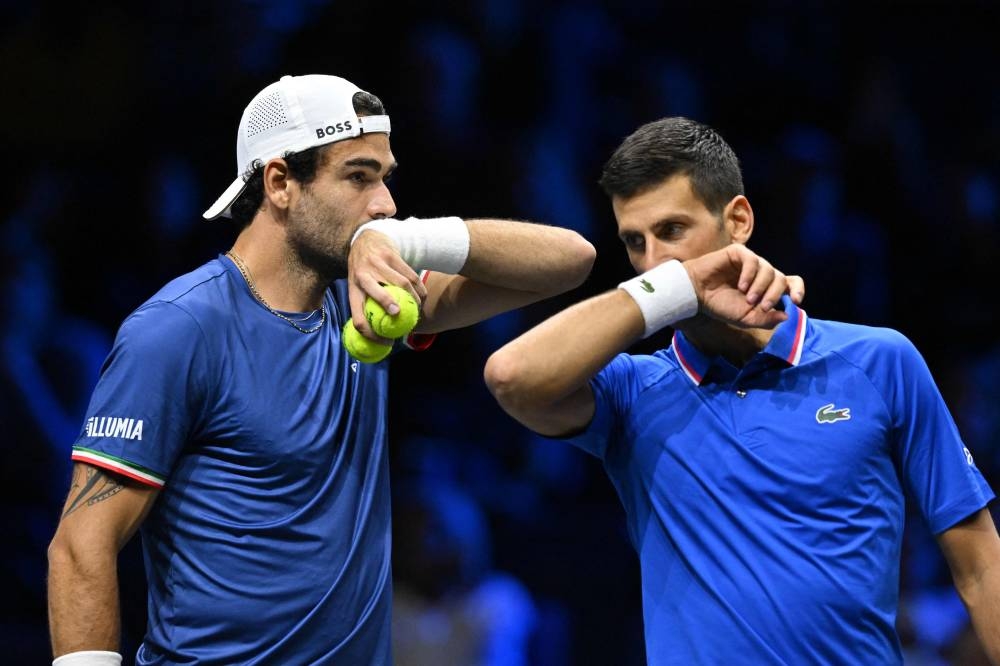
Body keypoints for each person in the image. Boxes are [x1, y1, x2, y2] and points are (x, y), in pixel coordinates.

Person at [46, 73, 597, 666]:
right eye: (359, 176)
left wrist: (408, 238)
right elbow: (83, 543)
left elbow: (570, 261)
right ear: (281, 183)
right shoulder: (178, 328)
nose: (384, 204)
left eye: (386, 179)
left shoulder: (372, 294)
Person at [484, 116, 1000, 664]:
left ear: (738, 220)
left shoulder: (880, 360)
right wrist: (673, 289)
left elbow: (981, 565)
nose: (652, 262)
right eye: (635, 243)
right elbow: (512, 377)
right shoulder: (632, 389)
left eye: (673, 231)